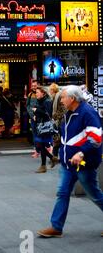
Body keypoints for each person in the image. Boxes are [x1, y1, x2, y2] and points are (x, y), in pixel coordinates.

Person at [37, 85, 103, 238]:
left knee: (94, 194)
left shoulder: (88, 113)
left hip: (84, 164)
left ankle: (56, 227)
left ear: (72, 99)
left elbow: (96, 138)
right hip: (68, 163)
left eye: (63, 97)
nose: (61, 100)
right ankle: (56, 227)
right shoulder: (69, 113)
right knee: (62, 192)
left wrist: (81, 153)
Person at [33, 87, 55, 173]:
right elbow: (38, 111)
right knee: (39, 145)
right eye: (36, 92)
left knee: (40, 145)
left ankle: (43, 166)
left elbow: (47, 114)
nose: (36, 94)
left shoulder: (47, 101)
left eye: (38, 92)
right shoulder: (40, 101)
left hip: (45, 127)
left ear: (43, 93)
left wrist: (36, 110)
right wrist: (36, 113)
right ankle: (52, 158)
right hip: (40, 126)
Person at [49, 83, 66, 165]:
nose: (49, 91)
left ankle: (57, 157)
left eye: (50, 90)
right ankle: (55, 157)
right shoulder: (55, 97)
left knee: (58, 140)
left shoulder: (58, 96)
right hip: (57, 121)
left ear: (53, 90)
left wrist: (55, 116)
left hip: (60, 121)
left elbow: (63, 109)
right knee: (57, 140)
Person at [26, 79, 39, 156]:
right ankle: (36, 147)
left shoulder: (42, 94)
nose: (33, 87)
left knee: (42, 132)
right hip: (33, 117)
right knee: (34, 132)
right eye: (32, 86)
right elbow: (27, 105)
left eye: (35, 85)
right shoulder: (30, 95)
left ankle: (43, 147)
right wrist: (31, 114)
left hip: (40, 117)